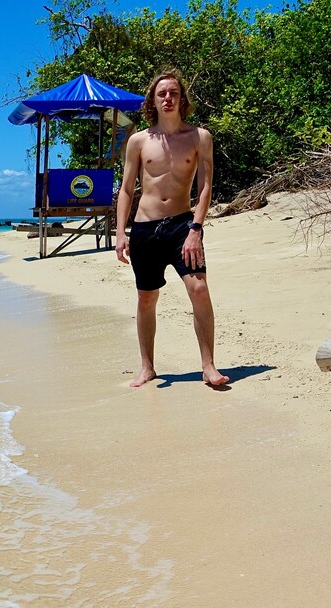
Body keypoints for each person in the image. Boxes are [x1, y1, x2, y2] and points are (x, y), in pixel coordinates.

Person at [115, 70, 229, 388]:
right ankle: (147, 367)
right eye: (162, 93)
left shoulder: (199, 137)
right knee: (146, 298)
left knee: (200, 289)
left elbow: (205, 188)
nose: (168, 98)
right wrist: (120, 233)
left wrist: (196, 228)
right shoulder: (138, 141)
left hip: (182, 225)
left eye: (174, 93)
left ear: (182, 99)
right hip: (144, 229)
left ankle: (208, 366)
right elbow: (126, 190)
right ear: (152, 100)